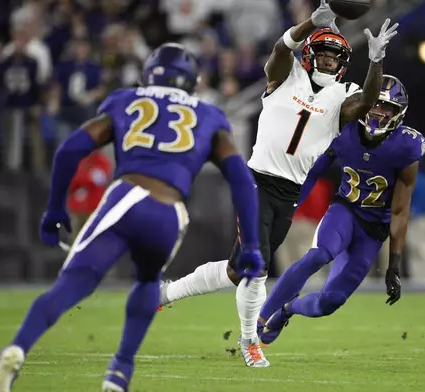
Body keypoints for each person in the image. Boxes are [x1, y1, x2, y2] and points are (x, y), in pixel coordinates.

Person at [0, 43, 265, 392]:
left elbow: (71, 149)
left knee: (72, 285)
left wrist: (55, 207)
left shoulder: (124, 100)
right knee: (148, 281)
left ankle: (16, 349)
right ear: (191, 81)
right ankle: (119, 372)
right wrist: (250, 244)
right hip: (169, 212)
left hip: (127, 195)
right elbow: (241, 181)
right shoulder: (208, 115)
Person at [159, 1, 398, 368]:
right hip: (255, 180)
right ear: (311, 55)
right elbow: (278, 51)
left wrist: (377, 60)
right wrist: (308, 24)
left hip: (290, 191)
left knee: (238, 269)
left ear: (343, 63)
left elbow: (367, 101)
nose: (329, 61)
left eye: (336, 57)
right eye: (323, 53)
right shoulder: (286, 76)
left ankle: (167, 292)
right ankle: (250, 341)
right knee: (258, 266)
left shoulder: (341, 98)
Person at [258, 75, 424, 345]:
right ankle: (258, 322)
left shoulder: (407, 146)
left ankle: (286, 310)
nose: (378, 112)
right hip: (345, 210)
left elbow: (400, 211)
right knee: (318, 256)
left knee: (330, 302)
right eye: (375, 104)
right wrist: (291, 208)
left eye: (387, 108)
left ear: (398, 114)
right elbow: (314, 173)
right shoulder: (343, 129)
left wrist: (394, 264)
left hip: (373, 229)